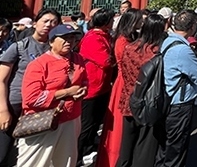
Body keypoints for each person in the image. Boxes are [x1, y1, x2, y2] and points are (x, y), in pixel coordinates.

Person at [18, 24, 88, 167]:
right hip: (43, 119)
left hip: (71, 118)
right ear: (51, 42)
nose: (69, 42)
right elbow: (31, 98)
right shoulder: (39, 64)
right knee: (35, 163)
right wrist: (67, 92)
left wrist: (83, 91)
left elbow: (84, 81)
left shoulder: (78, 59)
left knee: (66, 161)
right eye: (64, 38)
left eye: (72, 38)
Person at [0, 9, 60, 166]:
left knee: (29, 154)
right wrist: (3, 110)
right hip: (14, 103)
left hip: (39, 107)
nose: (49, 25)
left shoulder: (56, 49)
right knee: (3, 151)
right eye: (45, 21)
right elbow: (1, 80)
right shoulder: (19, 46)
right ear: (35, 23)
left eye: (54, 22)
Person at [117, 13, 167, 167]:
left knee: (126, 146)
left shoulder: (129, 48)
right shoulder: (157, 52)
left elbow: (124, 72)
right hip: (148, 103)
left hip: (129, 99)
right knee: (145, 147)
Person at [155, 10, 197, 165]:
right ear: (191, 27)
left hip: (165, 98)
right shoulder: (182, 49)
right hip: (179, 103)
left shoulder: (166, 41)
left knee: (164, 145)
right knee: (177, 147)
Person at [97, 9, 143, 167]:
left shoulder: (130, 37)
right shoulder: (122, 41)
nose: (141, 22)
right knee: (119, 123)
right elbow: (126, 63)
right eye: (139, 20)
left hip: (127, 80)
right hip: (124, 81)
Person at [77, 9, 115, 166]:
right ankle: (78, 154)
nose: (113, 22)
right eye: (111, 20)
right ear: (106, 23)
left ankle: (89, 146)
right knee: (87, 124)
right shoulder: (93, 38)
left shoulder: (105, 36)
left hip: (103, 86)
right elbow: (106, 61)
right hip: (92, 86)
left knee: (96, 121)